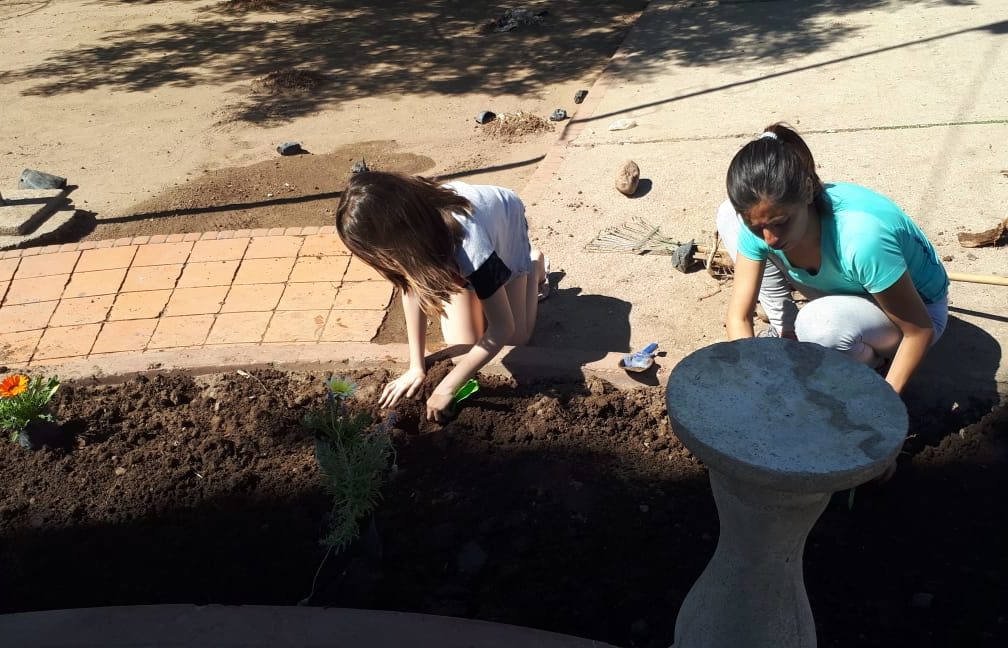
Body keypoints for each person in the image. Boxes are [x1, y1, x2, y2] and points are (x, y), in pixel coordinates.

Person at [717, 123, 949, 394]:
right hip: (843, 291)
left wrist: (883, 403)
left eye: (781, 222)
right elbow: (739, 316)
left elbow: (918, 330)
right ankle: (789, 332)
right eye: (758, 228)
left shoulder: (861, 238)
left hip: (918, 312)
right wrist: (753, 381)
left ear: (806, 190)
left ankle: (871, 367)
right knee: (728, 217)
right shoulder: (762, 222)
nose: (770, 238)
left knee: (820, 326)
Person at [335, 171, 548, 421]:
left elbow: (502, 327)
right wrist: (416, 367)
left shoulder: (471, 244)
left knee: (515, 339)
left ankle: (534, 267)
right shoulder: (414, 238)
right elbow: (412, 287)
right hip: (456, 255)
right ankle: (482, 288)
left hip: (504, 229)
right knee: (462, 342)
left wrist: (448, 386)